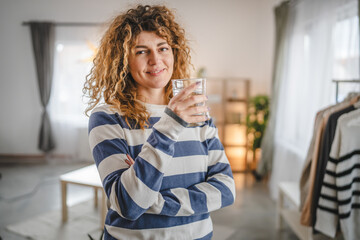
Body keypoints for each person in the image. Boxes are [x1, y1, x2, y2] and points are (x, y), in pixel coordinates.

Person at [83, 5, 235, 239]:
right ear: (124, 60)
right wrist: (170, 125)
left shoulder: (197, 113)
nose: (156, 60)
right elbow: (129, 205)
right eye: (141, 51)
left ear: (174, 52)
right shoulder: (107, 118)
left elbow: (226, 189)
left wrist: (154, 201)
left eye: (163, 48)